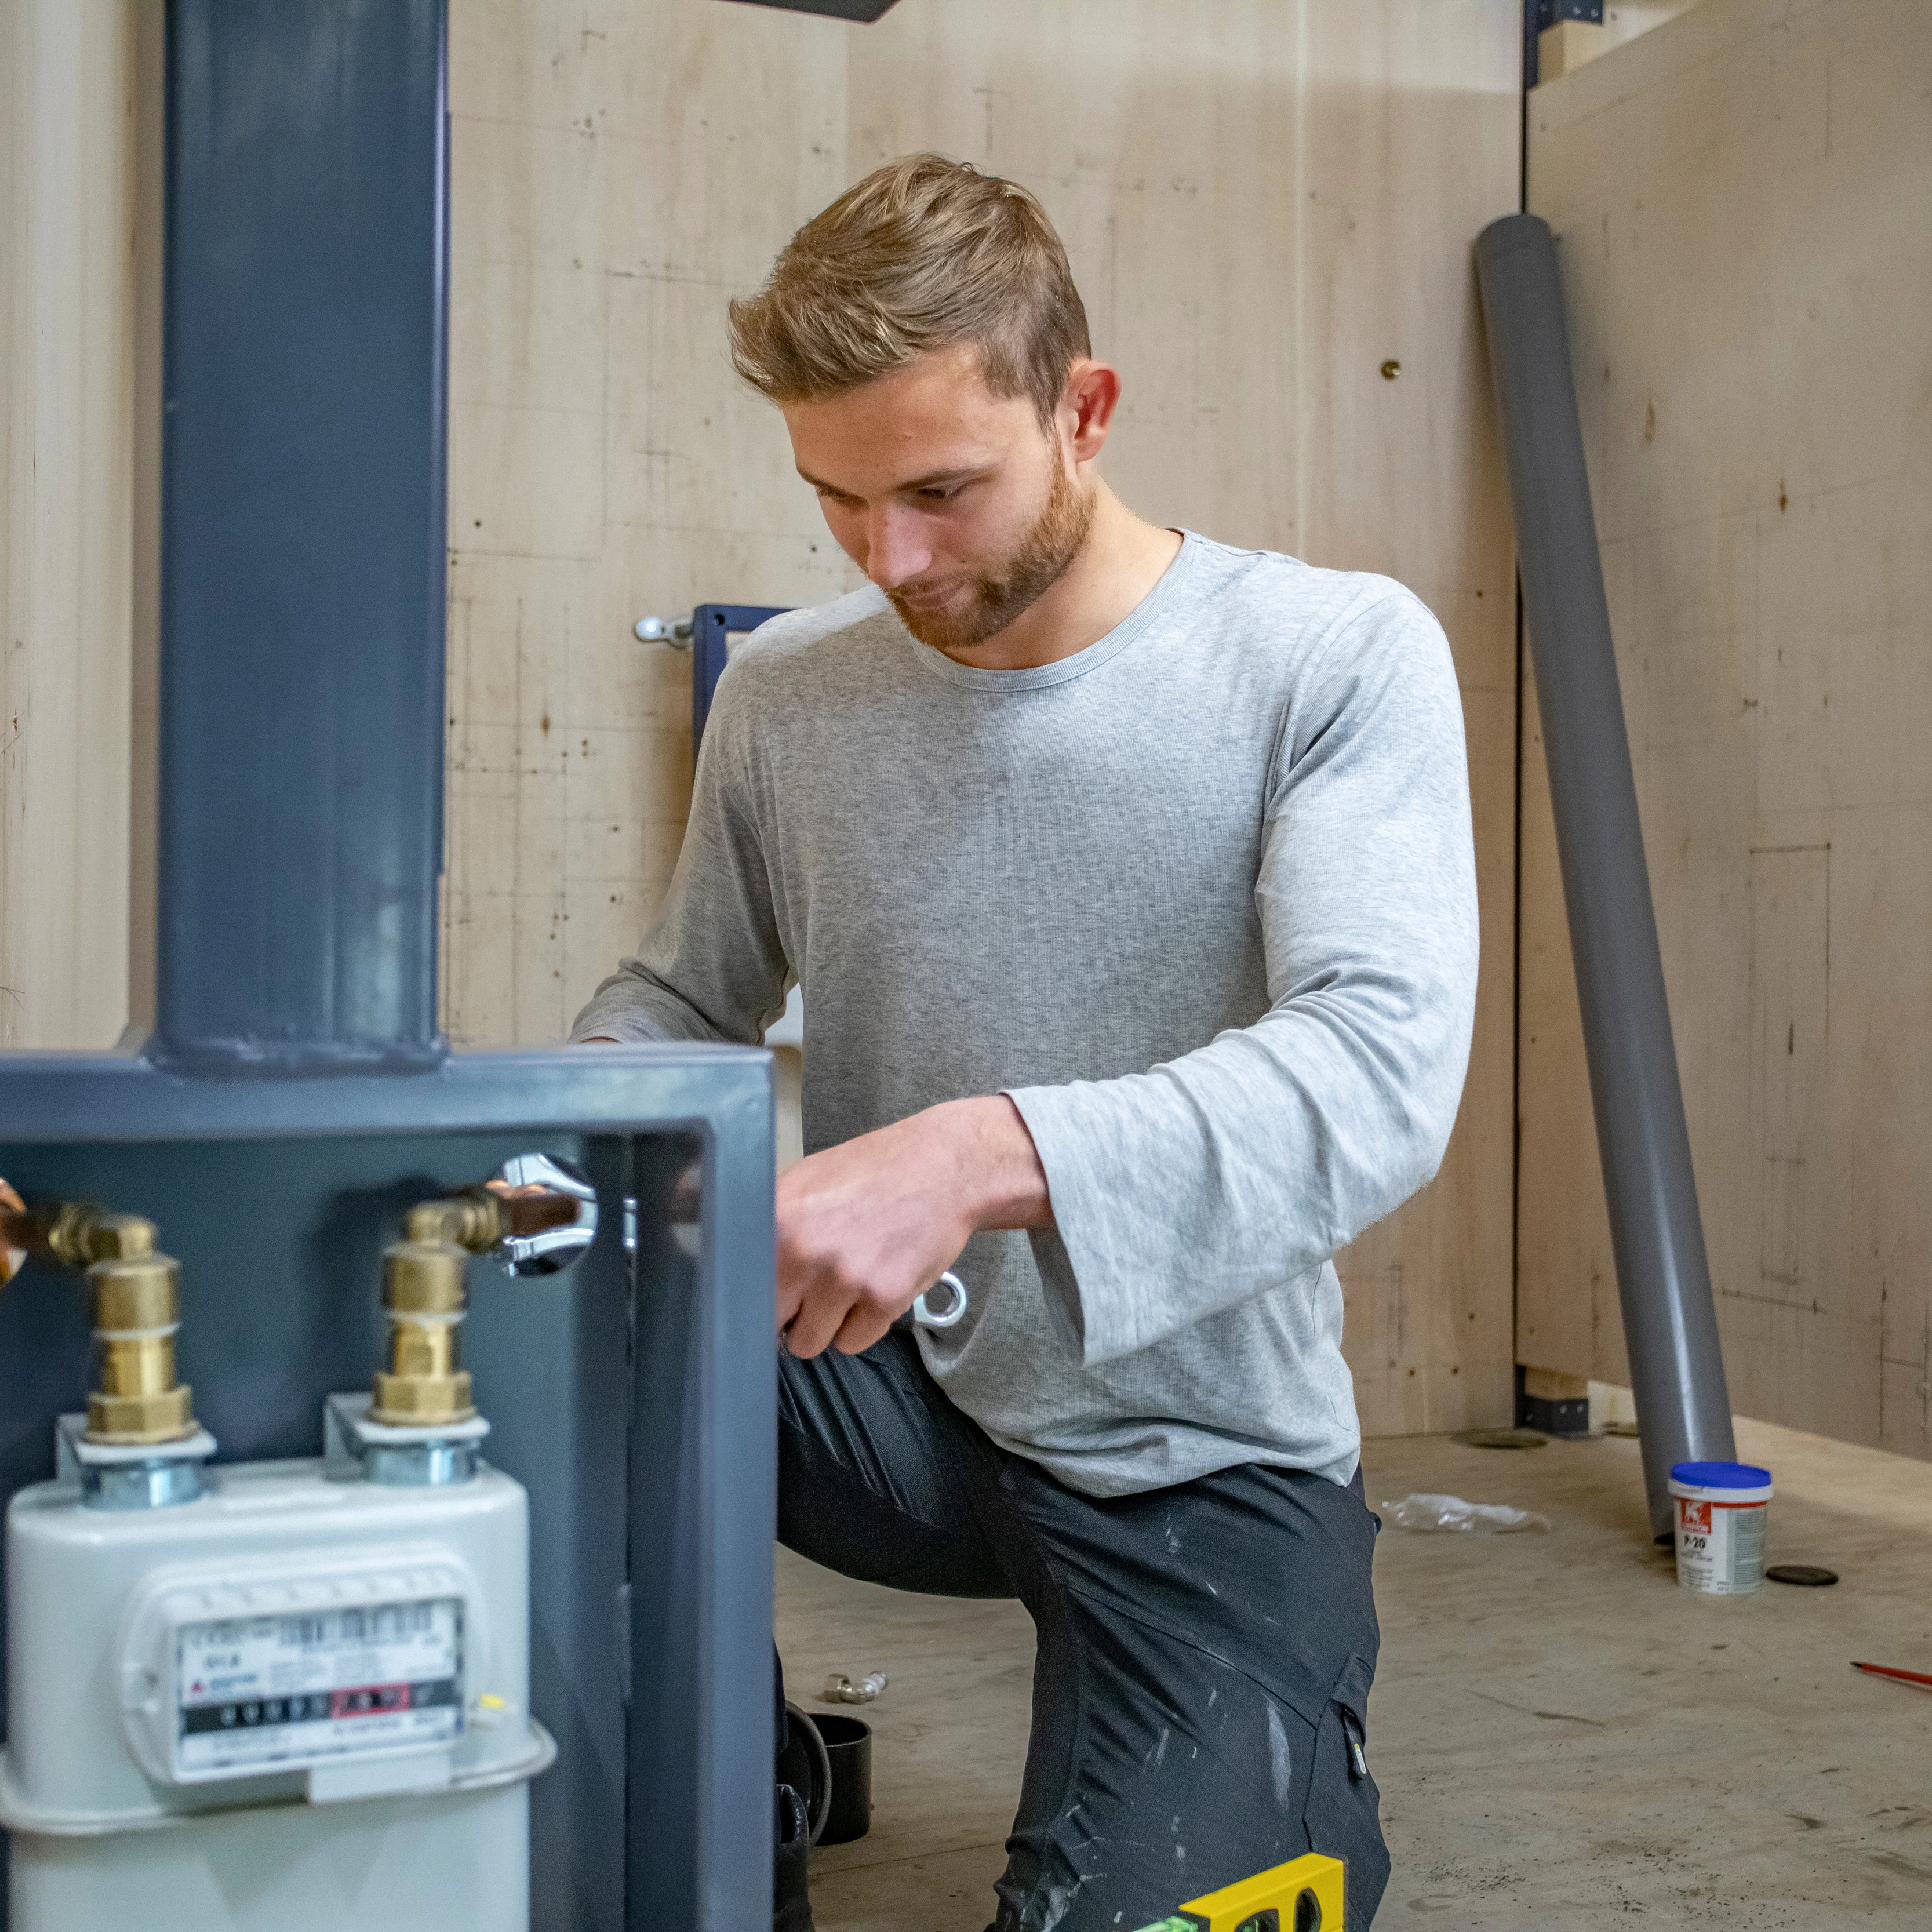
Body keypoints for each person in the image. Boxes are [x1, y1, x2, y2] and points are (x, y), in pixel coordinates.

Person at [574, 152, 1478, 1932]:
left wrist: (972, 1154)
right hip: (875, 1388)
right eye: (836, 501)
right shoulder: (787, 696)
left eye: (937, 491)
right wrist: (583, 1122)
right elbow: (678, 1004)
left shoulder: (1326, 656)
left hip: (1195, 1441)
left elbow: (1375, 1072)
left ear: (1083, 410)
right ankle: (710, 1799)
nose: (890, 559)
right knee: (552, 1316)